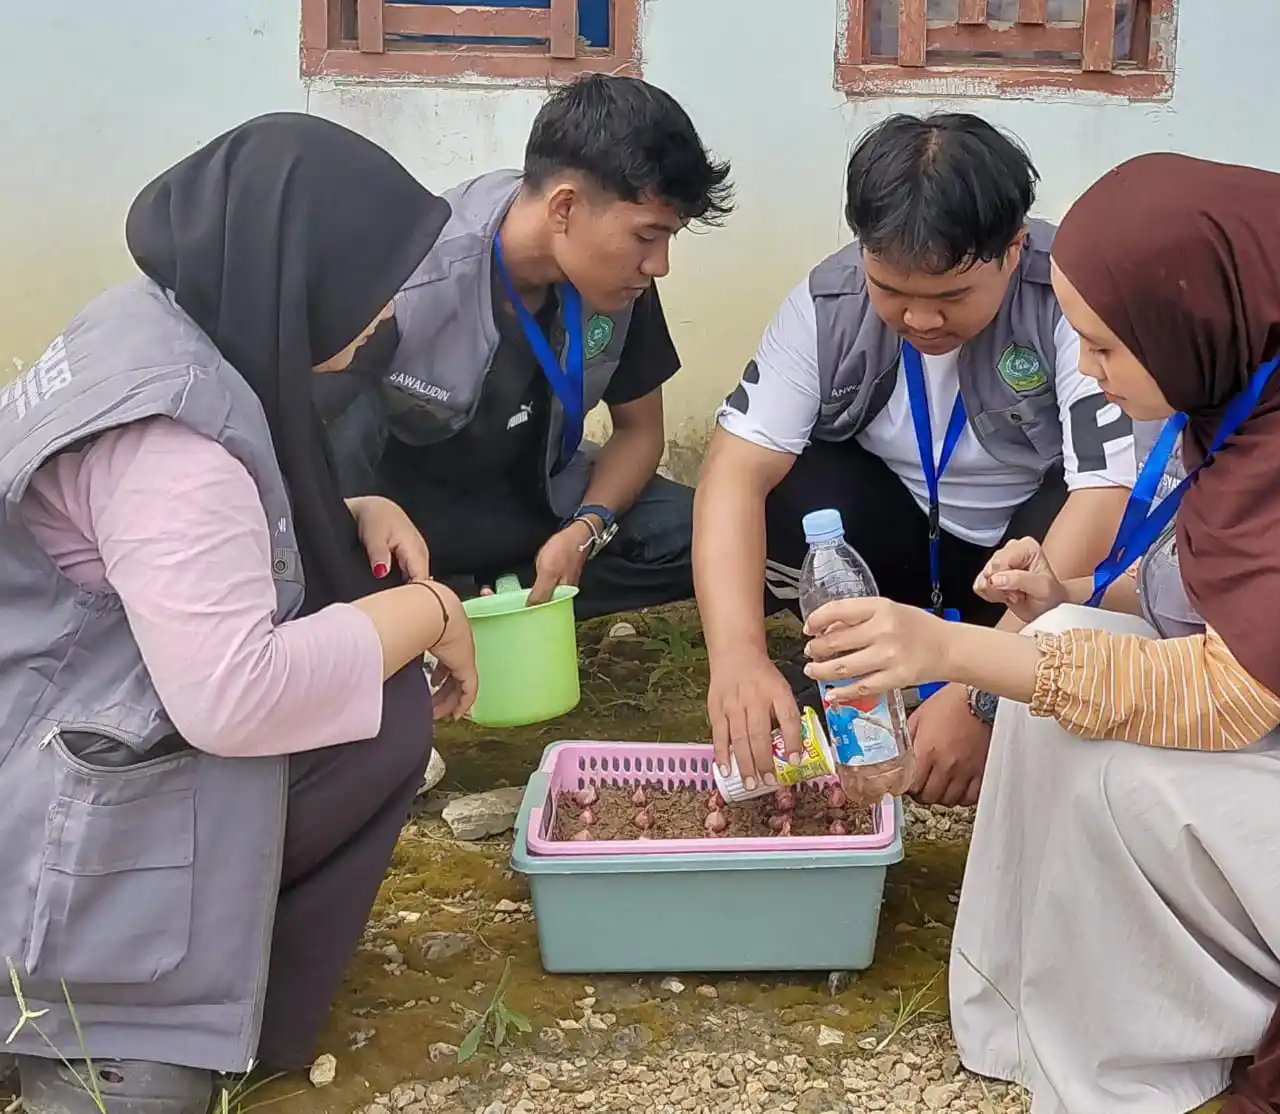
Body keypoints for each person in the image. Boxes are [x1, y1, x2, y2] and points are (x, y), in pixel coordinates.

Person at [797, 153, 1280, 1113]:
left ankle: (1137, 1056)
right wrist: (1070, 586)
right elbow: (1221, 584)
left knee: (1125, 782)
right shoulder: (1248, 373)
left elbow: (1225, 694)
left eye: (1104, 349)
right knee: (1066, 640)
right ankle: (1018, 1011)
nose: (1086, 372)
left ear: (1189, 322)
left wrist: (949, 649)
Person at [0, 113, 479, 1114]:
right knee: (384, 708)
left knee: (364, 675)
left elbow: (165, 554)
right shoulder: (175, 441)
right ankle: (106, 1007)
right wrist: (433, 610)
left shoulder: (142, 322)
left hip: (42, 705)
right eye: (372, 277)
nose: (388, 308)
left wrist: (351, 513)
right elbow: (234, 695)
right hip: (49, 819)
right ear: (295, 270)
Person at [694, 113, 1134, 800]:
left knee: (1090, 516)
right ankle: (864, 664)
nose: (921, 320)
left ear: (1013, 249)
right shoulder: (828, 301)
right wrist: (736, 658)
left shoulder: (1070, 299)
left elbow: (1104, 499)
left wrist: (982, 691)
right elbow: (731, 473)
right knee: (795, 484)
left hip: (1023, 573)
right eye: (891, 291)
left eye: (952, 296)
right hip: (896, 559)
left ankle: (1005, 688)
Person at [322, 74, 733, 618]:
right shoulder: (411, 276)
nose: (658, 265)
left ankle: (494, 599)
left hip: (542, 502)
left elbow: (640, 431)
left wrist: (587, 530)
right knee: (348, 417)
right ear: (564, 209)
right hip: (408, 517)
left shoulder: (622, 286)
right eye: (645, 236)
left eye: (668, 239)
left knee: (712, 533)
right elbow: (316, 441)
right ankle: (404, 599)